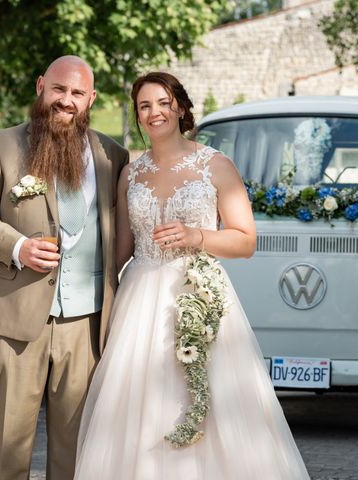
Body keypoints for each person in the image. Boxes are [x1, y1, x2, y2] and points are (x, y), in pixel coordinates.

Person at [73, 72, 309, 479]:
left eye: (163, 103)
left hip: (199, 291)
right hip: (140, 301)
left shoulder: (215, 165)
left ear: (180, 107)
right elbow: (122, 250)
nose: (154, 112)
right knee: (137, 405)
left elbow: (246, 241)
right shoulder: (131, 173)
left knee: (211, 402)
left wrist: (198, 235)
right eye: (144, 106)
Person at [0, 55, 128, 479]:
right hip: (13, 319)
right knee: (10, 453)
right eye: (58, 90)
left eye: (76, 94)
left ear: (91, 99)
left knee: (74, 453)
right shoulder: (3, 144)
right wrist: (17, 247)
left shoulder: (113, 155)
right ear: (40, 87)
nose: (65, 101)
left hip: (86, 325)